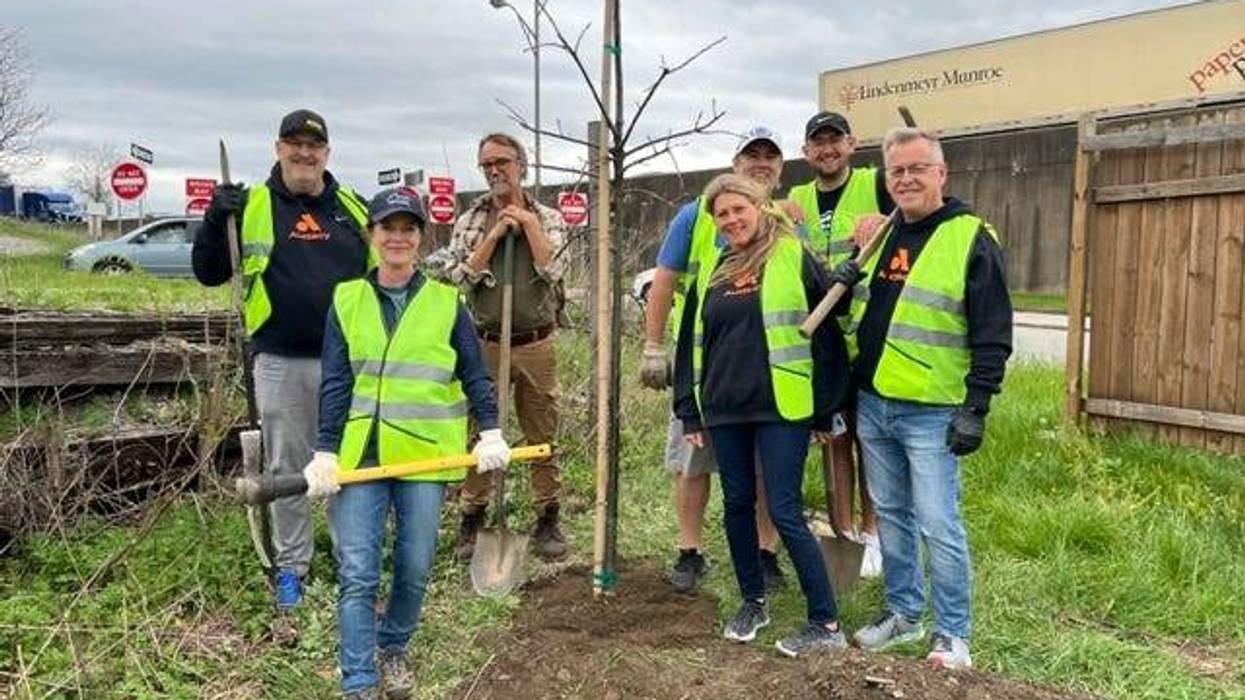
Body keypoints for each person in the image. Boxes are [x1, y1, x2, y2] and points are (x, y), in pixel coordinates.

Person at [304, 187, 510, 700]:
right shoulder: (346, 299)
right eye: (387, 228)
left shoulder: (446, 303)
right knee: (358, 573)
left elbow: (474, 373)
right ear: (372, 236)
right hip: (361, 457)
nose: (397, 237)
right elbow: (335, 382)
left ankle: (393, 646)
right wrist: (325, 450)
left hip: (423, 454)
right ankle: (358, 682)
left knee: (415, 566)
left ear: (420, 237)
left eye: (407, 228)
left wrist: (491, 429)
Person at [844, 128, 1012, 671]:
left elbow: (992, 332)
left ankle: (952, 633)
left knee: (939, 522)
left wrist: (976, 406)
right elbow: (865, 313)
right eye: (897, 171)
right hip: (875, 403)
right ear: (887, 180)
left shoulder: (969, 237)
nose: (907, 179)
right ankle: (903, 612)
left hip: (933, 409)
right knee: (891, 515)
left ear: (941, 173)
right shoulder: (883, 235)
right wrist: (846, 280)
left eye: (918, 168)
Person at [192, 109, 371, 610]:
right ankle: (292, 569)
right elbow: (209, 273)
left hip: (349, 366)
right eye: (294, 144)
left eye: (314, 146)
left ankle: (351, 561)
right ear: (278, 149)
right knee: (288, 468)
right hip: (281, 361)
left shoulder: (353, 209)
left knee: (348, 467)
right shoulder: (249, 207)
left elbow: (385, 279)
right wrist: (213, 220)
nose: (304, 153)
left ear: (327, 154)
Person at [672, 173, 857, 657]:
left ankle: (826, 621)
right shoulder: (711, 265)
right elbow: (690, 342)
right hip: (723, 407)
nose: (732, 219)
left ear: (760, 207)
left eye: (740, 209)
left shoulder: (792, 255)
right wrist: (689, 411)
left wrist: (827, 407)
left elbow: (830, 334)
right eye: (722, 214)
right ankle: (753, 601)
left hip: (782, 405)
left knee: (783, 509)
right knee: (735, 505)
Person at [639, 126, 796, 594]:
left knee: (766, 468)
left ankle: (765, 554)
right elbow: (664, 281)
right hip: (706, 365)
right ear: (735, 162)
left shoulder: (788, 221)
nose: (761, 163)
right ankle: (690, 551)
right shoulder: (696, 217)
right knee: (693, 461)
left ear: (780, 167)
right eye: (752, 155)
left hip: (768, 367)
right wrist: (653, 347)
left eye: (771, 156)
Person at [443, 132, 569, 562]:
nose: (494, 171)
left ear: (522, 165)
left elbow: (553, 269)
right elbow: (460, 276)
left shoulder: (547, 216)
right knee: (482, 430)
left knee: (542, 430)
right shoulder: (471, 220)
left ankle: (547, 516)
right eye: (486, 165)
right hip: (487, 343)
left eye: (502, 162)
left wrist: (528, 225)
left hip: (536, 342)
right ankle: (473, 516)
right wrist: (496, 235)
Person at [787, 111, 894, 578]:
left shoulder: (876, 183)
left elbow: (919, 209)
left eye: (835, 141)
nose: (827, 150)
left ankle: (873, 533)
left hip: (867, 334)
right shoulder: (796, 198)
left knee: (868, 438)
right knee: (834, 437)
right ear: (807, 151)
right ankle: (843, 532)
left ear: (852, 143)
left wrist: (882, 217)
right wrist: (779, 214)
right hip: (824, 339)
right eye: (818, 143)